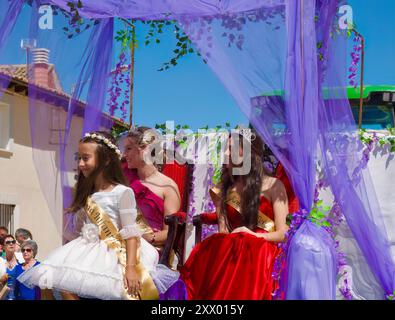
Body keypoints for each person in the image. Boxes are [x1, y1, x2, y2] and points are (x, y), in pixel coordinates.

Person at [18, 131, 179, 300]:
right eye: (79, 158)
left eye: (85, 158)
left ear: (106, 160)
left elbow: (131, 233)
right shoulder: (87, 195)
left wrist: (130, 268)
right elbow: (78, 229)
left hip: (114, 254)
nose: (80, 163)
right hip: (88, 250)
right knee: (49, 279)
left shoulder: (122, 192)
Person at [181, 129, 289, 300]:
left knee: (252, 249)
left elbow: (284, 233)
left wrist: (253, 235)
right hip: (233, 250)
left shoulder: (274, 185)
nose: (224, 153)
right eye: (225, 148)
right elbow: (224, 232)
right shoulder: (223, 189)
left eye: (230, 148)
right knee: (214, 245)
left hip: (262, 251)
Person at [122, 127, 181, 253]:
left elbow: (170, 232)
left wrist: (147, 238)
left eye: (128, 148)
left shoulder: (168, 187)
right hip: (119, 243)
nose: (124, 154)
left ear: (145, 149)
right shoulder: (124, 179)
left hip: (148, 249)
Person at [0, 235, 20, 300]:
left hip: (18, 297)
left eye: (13, 242)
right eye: (8, 242)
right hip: (3, 297)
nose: (11, 244)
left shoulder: (21, 260)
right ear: (3, 246)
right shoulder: (0, 261)